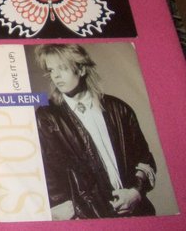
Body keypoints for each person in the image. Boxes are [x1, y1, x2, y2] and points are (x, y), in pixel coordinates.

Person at [34, 44, 157, 220]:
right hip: (87, 218)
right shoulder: (47, 117)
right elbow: (47, 171)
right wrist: (70, 213)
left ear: (81, 69)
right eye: (51, 70)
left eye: (62, 68)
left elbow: (144, 159)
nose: (56, 76)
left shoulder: (118, 109)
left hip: (135, 213)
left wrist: (135, 192)